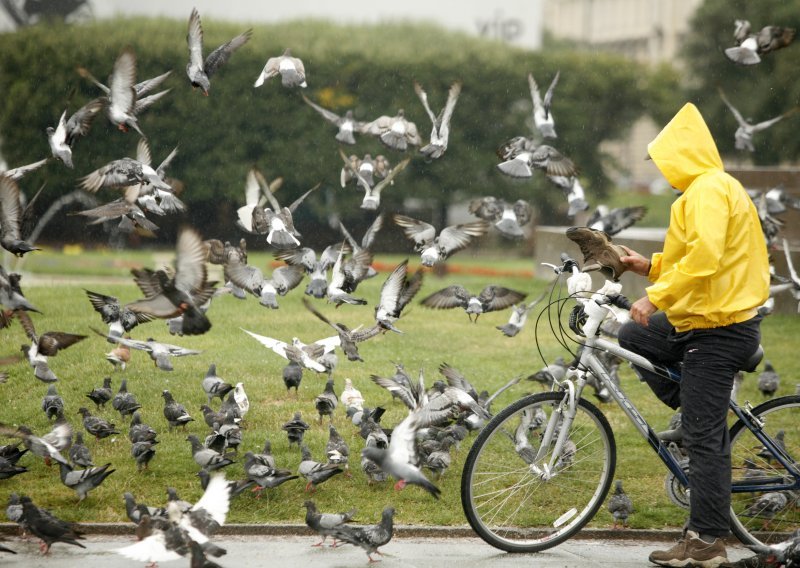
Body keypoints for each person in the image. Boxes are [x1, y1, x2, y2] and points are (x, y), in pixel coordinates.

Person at [617, 102, 769, 568]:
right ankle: (694, 404)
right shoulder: (705, 190)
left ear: (682, 154)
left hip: (721, 328)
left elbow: (705, 260)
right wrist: (648, 266)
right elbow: (697, 259)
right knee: (633, 335)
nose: (662, 171)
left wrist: (655, 296)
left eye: (664, 161)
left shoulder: (708, 190)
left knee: (705, 439)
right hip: (703, 316)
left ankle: (706, 543)